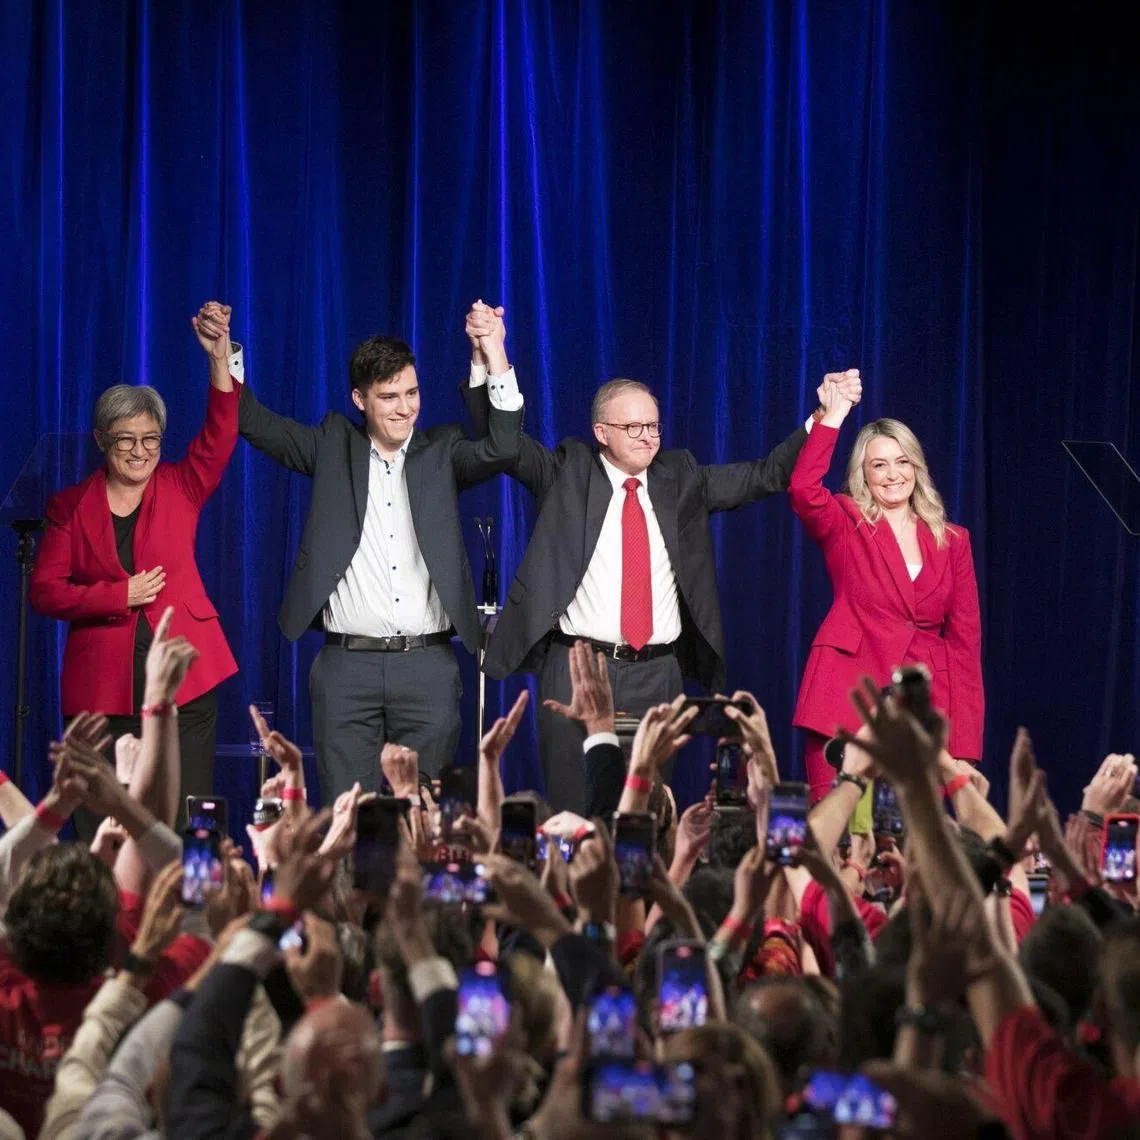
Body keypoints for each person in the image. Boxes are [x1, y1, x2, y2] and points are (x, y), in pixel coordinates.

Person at [465, 305, 860, 812]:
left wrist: (824, 416)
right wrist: (494, 353)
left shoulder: (681, 477)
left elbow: (765, 475)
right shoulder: (567, 470)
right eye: (633, 428)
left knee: (645, 824)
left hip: (657, 674)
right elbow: (503, 445)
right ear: (601, 432)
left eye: (654, 426)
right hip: (580, 668)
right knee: (576, 815)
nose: (648, 437)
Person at [218, 301, 523, 802]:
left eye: (412, 392)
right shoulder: (331, 446)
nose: (406, 408)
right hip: (346, 670)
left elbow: (504, 447)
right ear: (359, 400)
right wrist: (221, 354)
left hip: (427, 666)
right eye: (389, 397)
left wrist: (493, 351)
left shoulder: (442, 451)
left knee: (422, 817)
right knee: (348, 820)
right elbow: (250, 420)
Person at [29, 305, 240, 815]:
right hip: (102, 689)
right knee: (103, 822)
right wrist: (117, 596)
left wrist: (219, 360)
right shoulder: (69, 507)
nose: (140, 451)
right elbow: (45, 591)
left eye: (150, 440)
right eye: (126, 440)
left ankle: (184, 896)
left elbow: (220, 433)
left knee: (185, 816)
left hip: (186, 685)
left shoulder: (181, 486)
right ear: (103, 441)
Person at [788, 373, 983, 801]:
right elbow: (803, 490)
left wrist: (964, 748)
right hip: (844, 697)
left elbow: (965, 645)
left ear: (917, 467)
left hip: (922, 709)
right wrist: (833, 416)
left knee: (910, 851)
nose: (893, 474)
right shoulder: (846, 521)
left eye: (902, 461)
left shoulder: (953, 541)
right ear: (864, 473)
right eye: (880, 464)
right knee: (837, 840)